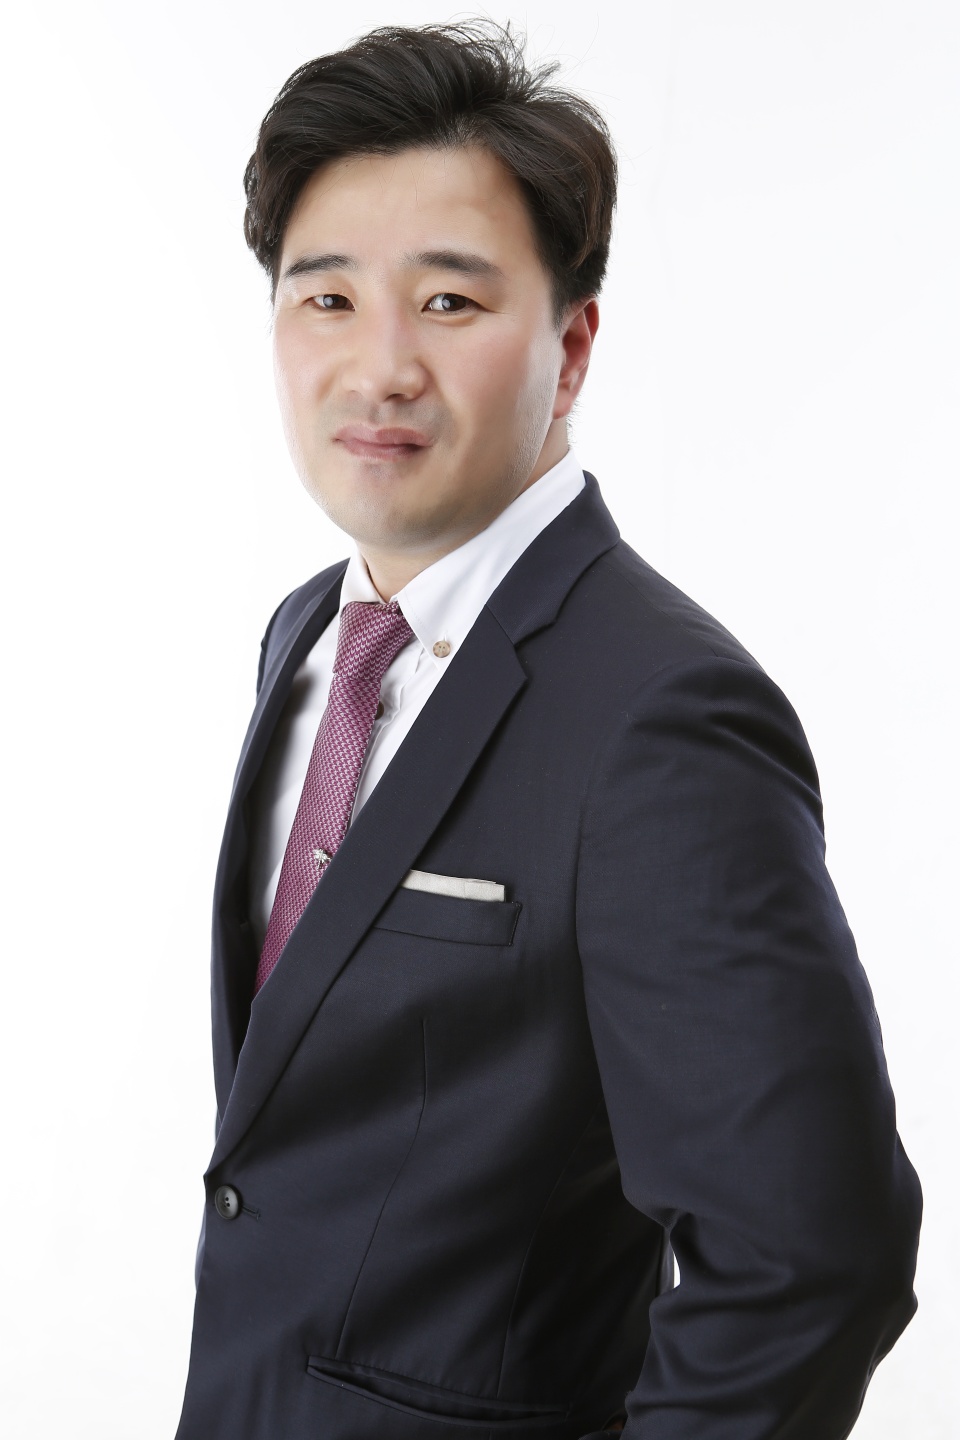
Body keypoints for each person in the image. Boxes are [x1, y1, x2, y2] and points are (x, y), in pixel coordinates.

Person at [175, 21, 921, 1440]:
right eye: (326, 298)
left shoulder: (662, 718)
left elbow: (810, 1262)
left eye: (449, 302)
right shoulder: (309, 638)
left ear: (571, 348)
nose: (380, 366)